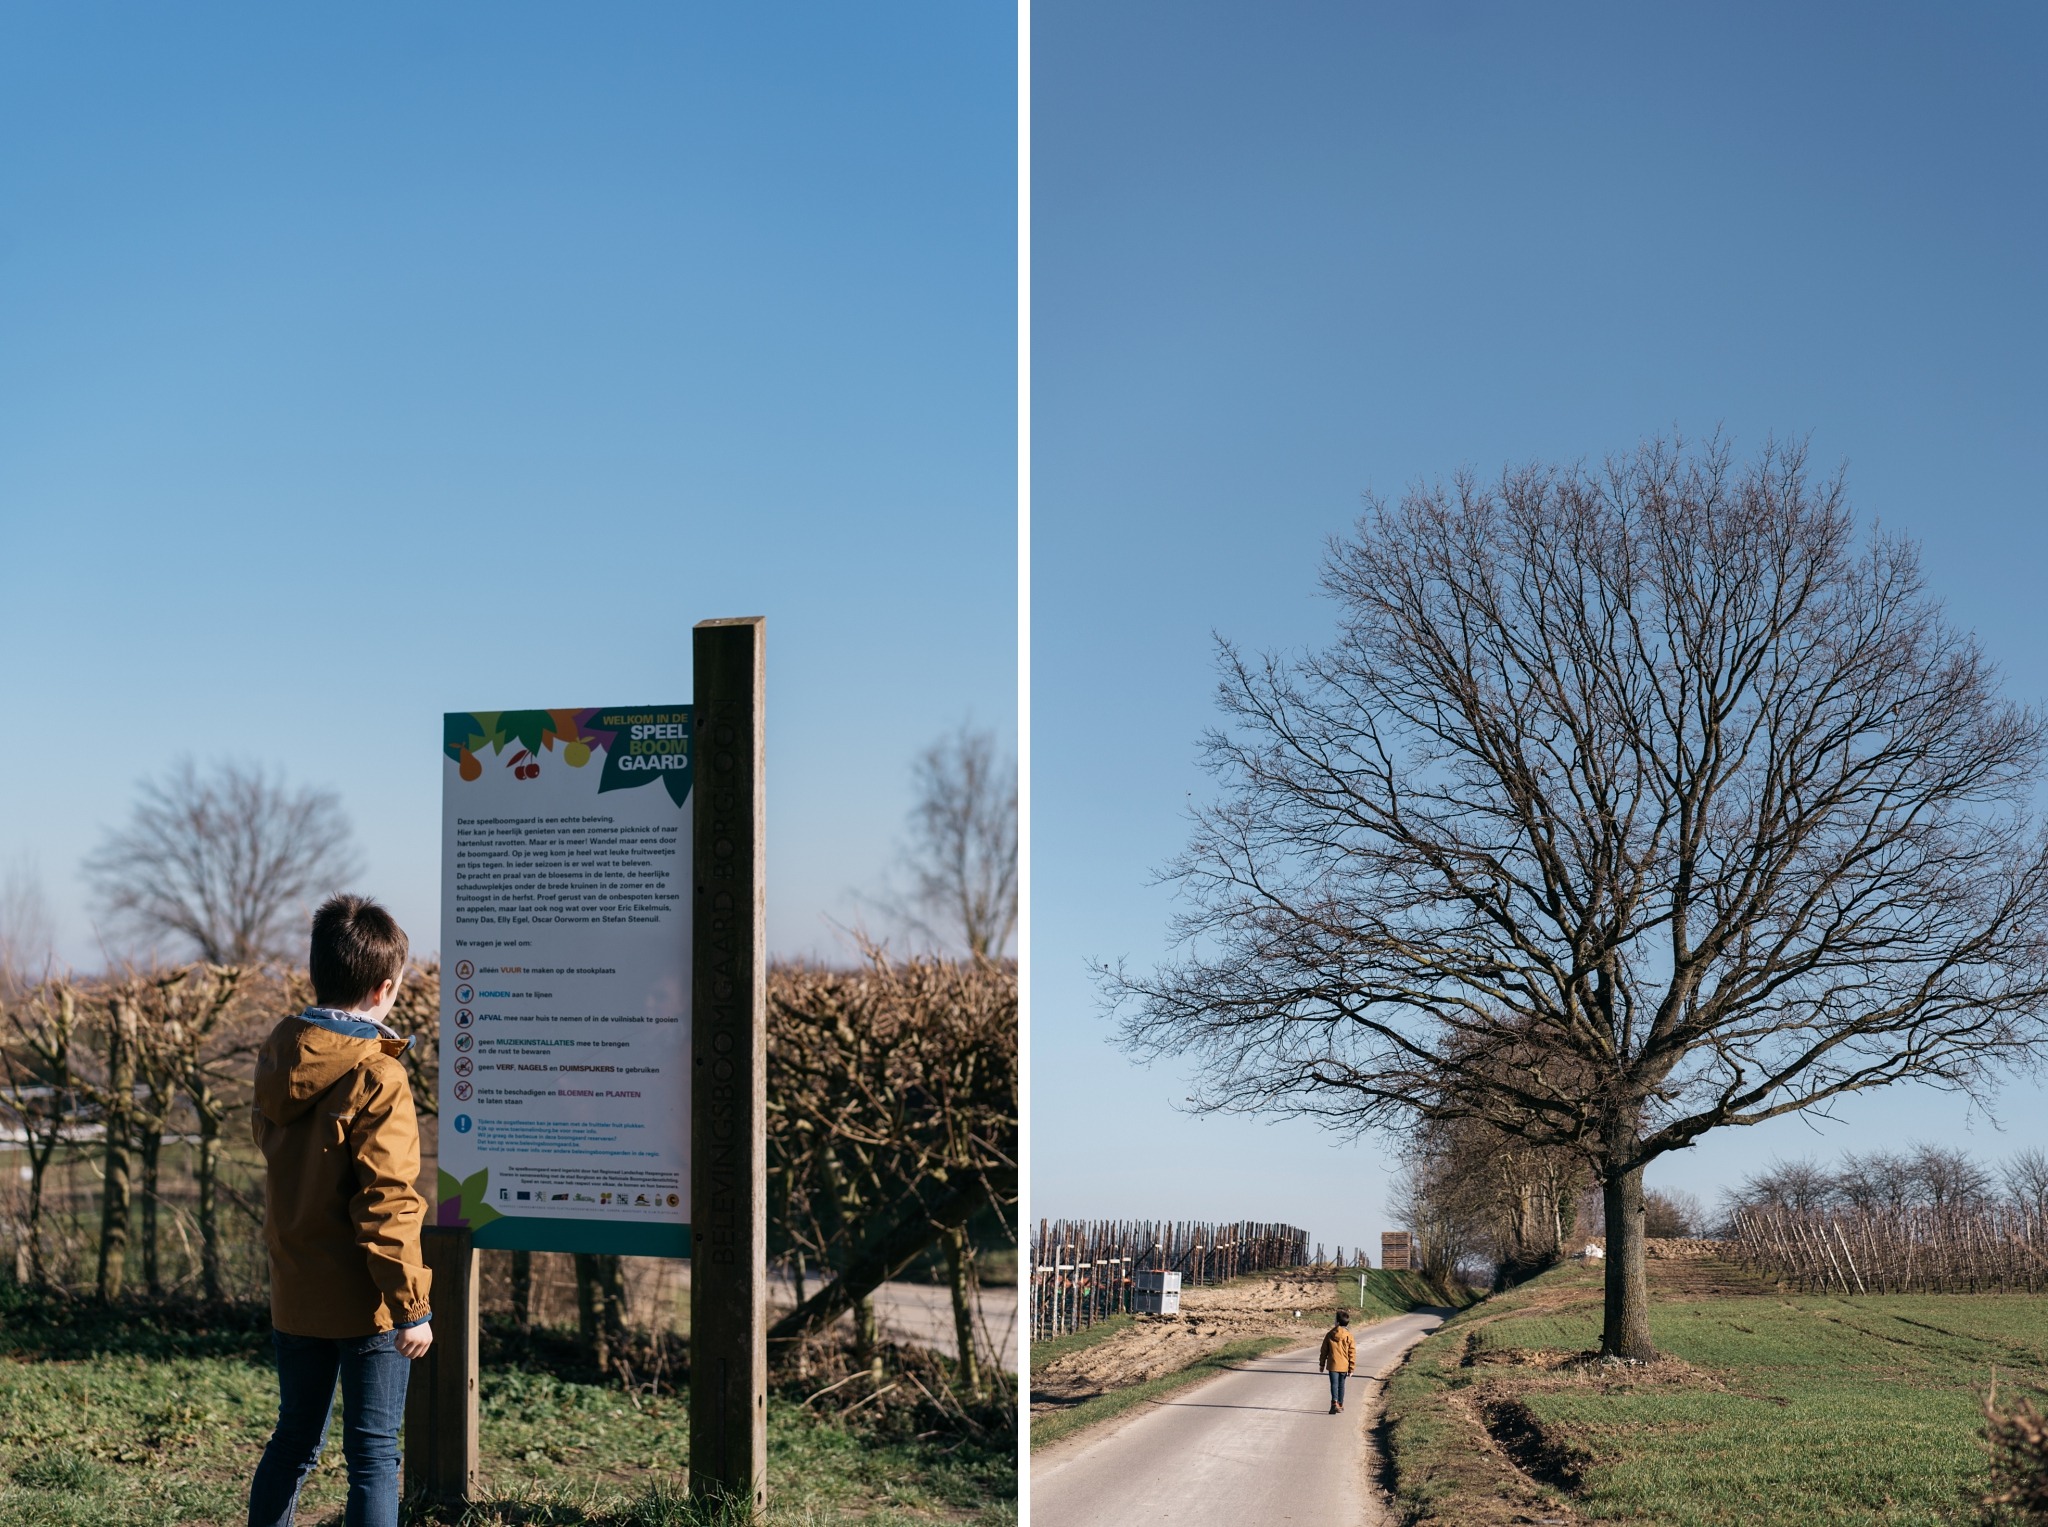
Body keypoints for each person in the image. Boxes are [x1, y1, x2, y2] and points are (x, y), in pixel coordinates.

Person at [247, 894, 434, 1527]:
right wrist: (412, 1307)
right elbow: (388, 1202)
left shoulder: (278, 1057)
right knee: (375, 1458)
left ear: (316, 973)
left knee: (294, 1441)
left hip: (295, 1290)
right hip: (366, 1303)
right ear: (386, 988)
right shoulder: (379, 1077)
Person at [1319, 1308, 1356, 1414]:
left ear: (1338, 1322)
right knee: (1341, 1385)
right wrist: (1351, 1367)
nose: (1334, 1321)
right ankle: (1340, 1404)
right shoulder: (1349, 1336)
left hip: (1332, 1365)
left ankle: (1334, 1403)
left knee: (1334, 1384)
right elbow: (1352, 1352)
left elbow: (1324, 1351)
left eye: (1335, 1319)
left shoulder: (1330, 1334)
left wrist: (1322, 1364)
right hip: (1344, 1365)